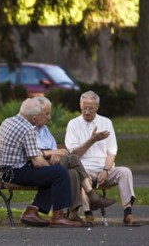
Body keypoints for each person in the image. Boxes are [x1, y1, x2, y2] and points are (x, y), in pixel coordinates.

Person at [0, 98, 80, 228]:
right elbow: (37, 162)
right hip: (17, 172)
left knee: (51, 175)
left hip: (4, 172)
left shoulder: (7, 122)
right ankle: (58, 217)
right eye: (41, 116)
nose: (46, 118)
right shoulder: (28, 129)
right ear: (33, 118)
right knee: (59, 173)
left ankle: (31, 211)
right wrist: (53, 168)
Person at [33, 96, 115, 227]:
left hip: (51, 163)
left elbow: (54, 148)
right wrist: (52, 153)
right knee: (74, 159)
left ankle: (71, 214)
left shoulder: (44, 129)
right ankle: (92, 195)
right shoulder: (28, 129)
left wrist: (56, 155)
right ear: (35, 114)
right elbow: (32, 153)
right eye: (47, 114)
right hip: (37, 165)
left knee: (72, 173)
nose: (49, 117)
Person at [65, 90, 141, 227]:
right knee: (78, 175)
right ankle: (88, 214)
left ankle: (128, 213)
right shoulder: (73, 124)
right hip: (84, 169)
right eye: (84, 108)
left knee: (125, 171)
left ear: (97, 107)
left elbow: (112, 151)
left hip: (104, 168)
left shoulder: (106, 122)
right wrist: (92, 140)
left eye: (91, 109)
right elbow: (73, 155)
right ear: (80, 105)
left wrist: (106, 169)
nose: (87, 112)